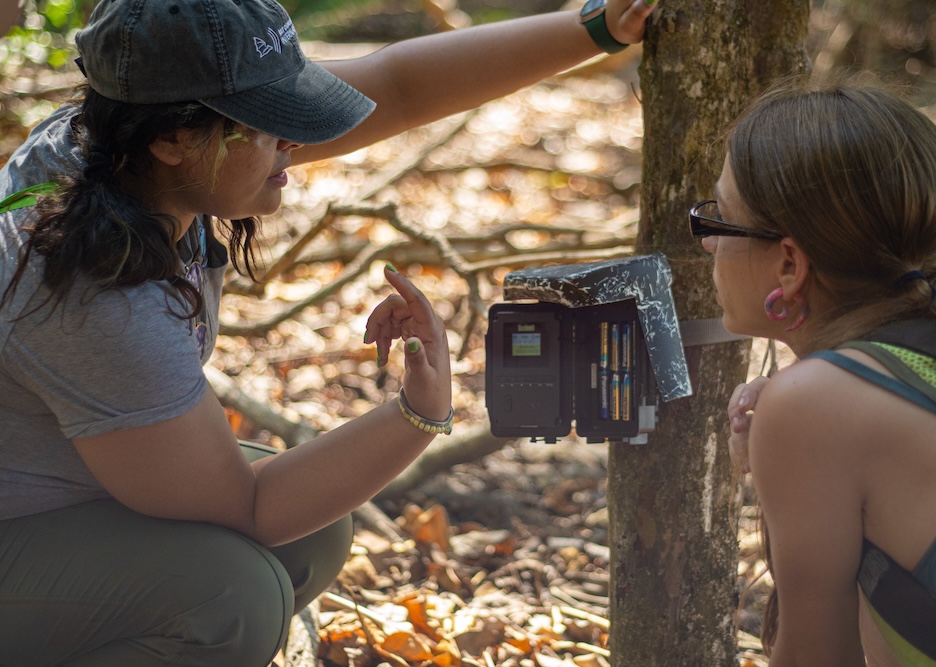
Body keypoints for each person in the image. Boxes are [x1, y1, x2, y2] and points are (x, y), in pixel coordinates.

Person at [0, 0, 656, 664]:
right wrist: (418, 413)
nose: (296, 136)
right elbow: (250, 503)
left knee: (310, 534)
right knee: (230, 598)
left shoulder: (118, 145)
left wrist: (598, 27)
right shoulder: (99, 291)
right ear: (173, 137)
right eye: (268, 121)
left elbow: (395, 88)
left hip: (50, 495)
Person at [693, 78, 936, 666]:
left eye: (718, 222)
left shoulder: (814, 404)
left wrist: (793, 439)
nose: (708, 246)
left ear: (788, 264)